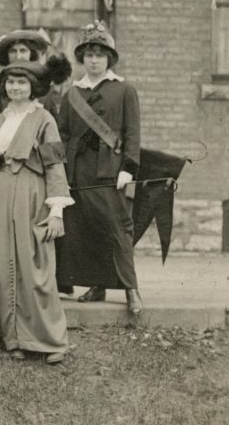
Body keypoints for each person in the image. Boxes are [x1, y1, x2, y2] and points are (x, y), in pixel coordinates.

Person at [0, 56, 73, 364]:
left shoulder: (44, 120)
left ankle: (52, 341)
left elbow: (54, 165)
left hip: (32, 192)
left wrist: (56, 210)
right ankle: (12, 338)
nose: (15, 88)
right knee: (0, 265)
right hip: (1, 194)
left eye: (22, 83)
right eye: (11, 82)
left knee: (35, 268)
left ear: (34, 88)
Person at [56, 21, 143, 316]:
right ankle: (97, 284)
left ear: (109, 58)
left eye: (100, 54)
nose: (94, 60)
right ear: (83, 58)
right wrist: (59, 172)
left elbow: (132, 133)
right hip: (78, 170)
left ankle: (131, 289)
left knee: (118, 228)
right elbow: (62, 134)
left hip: (110, 170)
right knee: (85, 228)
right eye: (89, 54)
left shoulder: (124, 89)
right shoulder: (72, 94)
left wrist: (128, 168)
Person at [0, 29, 61, 117]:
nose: (18, 56)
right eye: (13, 51)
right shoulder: (1, 87)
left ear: (31, 54)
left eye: (23, 50)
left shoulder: (42, 87)